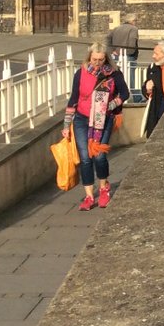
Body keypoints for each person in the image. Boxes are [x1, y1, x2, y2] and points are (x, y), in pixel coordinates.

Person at [63, 44, 129, 210]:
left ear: (106, 58)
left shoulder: (114, 74)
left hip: (103, 119)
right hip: (81, 119)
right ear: (89, 58)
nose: (98, 63)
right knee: (85, 158)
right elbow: (73, 99)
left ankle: (104, 187)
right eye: (94, 59)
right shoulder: (81, 73)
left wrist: (111, 105)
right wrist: (66, 124)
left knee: (98, 156)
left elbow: (125, 93)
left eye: (101, 59)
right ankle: (89, 196)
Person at [108, 12, 141, 87]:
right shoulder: (134, 29)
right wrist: (129, 52)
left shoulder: (117, 28)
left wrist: (112, 50)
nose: (136, 23)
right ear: (132, 21)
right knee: (130, 77)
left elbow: (107, 38)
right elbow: (132, 42)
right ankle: (134, 96)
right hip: (129, 56)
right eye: (136, 21)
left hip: (116, 56)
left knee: (118, 75)